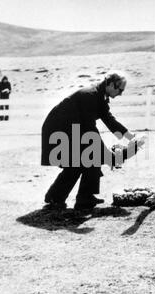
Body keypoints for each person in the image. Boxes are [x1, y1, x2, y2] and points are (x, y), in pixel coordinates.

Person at [41, 71, 145, 210]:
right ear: (112, 84)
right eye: (120, 90)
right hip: (59, 130)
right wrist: (111, 154)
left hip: (72, 130)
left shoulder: (100, 95)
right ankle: (60, 198)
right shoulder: (90, 95)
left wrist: (132, 137)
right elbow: (90, 130)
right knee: (81, 161)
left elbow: (109, 120)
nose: (120, 94)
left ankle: (79, 198)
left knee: (85, 160)